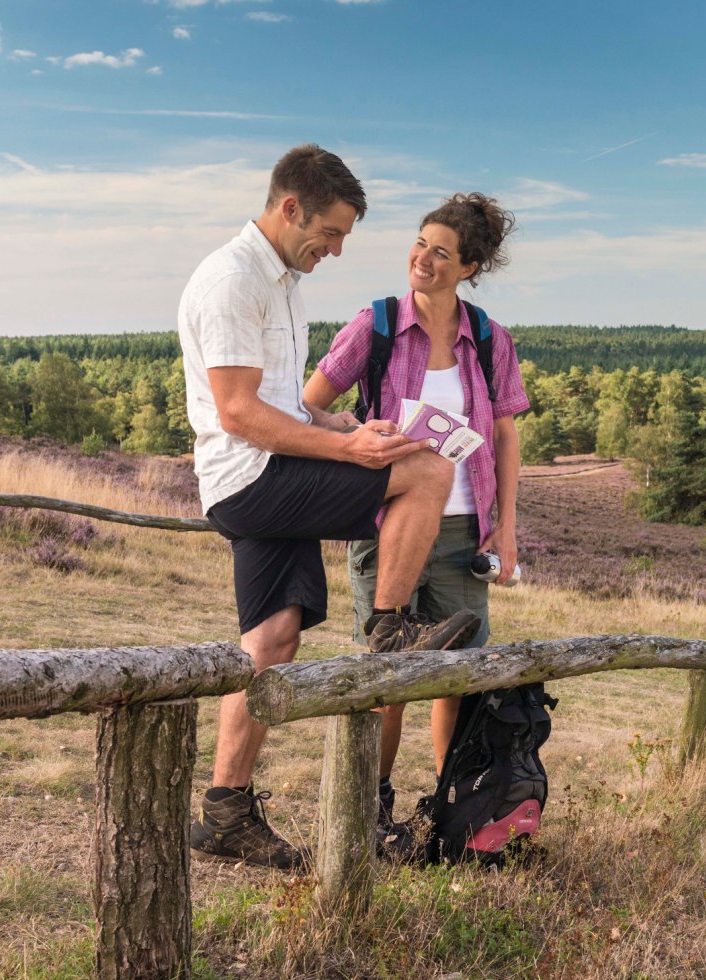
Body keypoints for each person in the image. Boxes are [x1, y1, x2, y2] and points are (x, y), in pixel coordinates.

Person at [178, 145, 484, 870]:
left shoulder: (280, 281)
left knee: (272, 638)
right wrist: (348, 455)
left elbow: (284, 406)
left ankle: (224, 810)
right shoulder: (232, 281)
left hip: (266, 470)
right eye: (333, 231)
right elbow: (239, 413)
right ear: (292, 208)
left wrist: (341, 427)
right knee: (428, 470)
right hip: (252, 478)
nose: (338, 249)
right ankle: (390, 627)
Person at [304, 193, 528, 838]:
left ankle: (452, 806)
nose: (423, 259)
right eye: (420, 243)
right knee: (384, 672)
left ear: (470, 267)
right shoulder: (373, 326)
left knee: (455, 674)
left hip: (463, 531)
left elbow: (506, 436)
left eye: (441, 253)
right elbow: (310, 405)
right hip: (389, 527)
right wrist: (352, 429)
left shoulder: (488, 338)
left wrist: (505, 525)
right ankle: (370, 809)